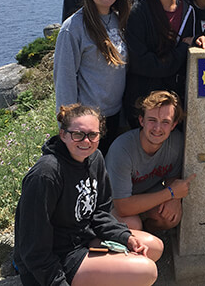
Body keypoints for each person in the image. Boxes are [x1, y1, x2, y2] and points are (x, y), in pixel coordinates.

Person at [13, 104, 163, 286]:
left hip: (82, 237)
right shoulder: (46, 175)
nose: (86, 141)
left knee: (155, 247)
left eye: (93, 135)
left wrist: (126, 238)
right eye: (78, 134)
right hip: (58, 256)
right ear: (63, 135)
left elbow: (100, 213)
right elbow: (34, 248)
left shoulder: (95, 159)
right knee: (146, 271)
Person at [123, 0, 205, 127]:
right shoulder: (139, 12)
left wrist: (200, 41)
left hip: (176, 100)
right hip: (144, 102)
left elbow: (189, 58)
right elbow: (142, 63)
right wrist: (181, 50)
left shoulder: (187, 10)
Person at [54, 0, 130, 155]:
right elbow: (64, 78)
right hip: (87, 122)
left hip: (116, 115)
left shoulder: (120, 19)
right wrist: (71, 125)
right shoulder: (73, 28)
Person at [105, 90, 196, 232]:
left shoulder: (177, 142)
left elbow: (173, 175)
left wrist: (175, 199)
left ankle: (147, 235)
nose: (158, 128)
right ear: (141, 120)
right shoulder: (122, 149)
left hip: (147, 195)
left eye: (165, 122)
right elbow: (122, 207)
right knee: (132, 225)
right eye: (152, 120)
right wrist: (171, 193)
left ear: (173, 125)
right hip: (114, 205)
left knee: (170, 216)